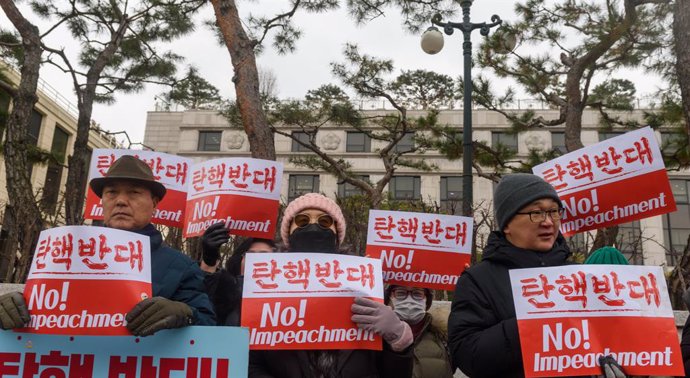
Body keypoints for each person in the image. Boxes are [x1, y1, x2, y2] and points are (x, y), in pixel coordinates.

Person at [0, 155, 215, 334]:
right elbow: (39, 307)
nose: (121, 201)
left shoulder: (180, 266)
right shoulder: (62, 253)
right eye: (111, 192)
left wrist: (184, 314)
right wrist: (11, 307)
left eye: (134, 192)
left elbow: (209, 326)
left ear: (154, 204)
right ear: (102, 200)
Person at [447, 173, 625, 378]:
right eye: (536, 213)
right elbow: (467, 355)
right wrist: (531, 324)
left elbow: (604, 343)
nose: (548, 222)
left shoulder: (579, 276)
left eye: (553, 211)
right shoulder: (478, 280)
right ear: (506, 224)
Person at [249, 192, 414, 378]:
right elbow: (252, 363)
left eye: (324, 221)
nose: (313, 226)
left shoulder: (364, 287)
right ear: (289, 231)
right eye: (303, 220)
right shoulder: (263, 288)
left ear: (336, 233)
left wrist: (398, 338)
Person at [200, 225, 276, 325]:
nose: (257, 260)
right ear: (240, 260)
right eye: (250, 254)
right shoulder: (223, 291)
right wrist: (209, 261)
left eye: (264, 255)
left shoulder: (287, 295)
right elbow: (202, 297)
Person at [385, 285, 453, 378]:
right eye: (400, 293)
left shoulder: (442, 336)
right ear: (389, 298)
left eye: (417, 293)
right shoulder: (375, 337)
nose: (409, 300)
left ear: (426, 299)